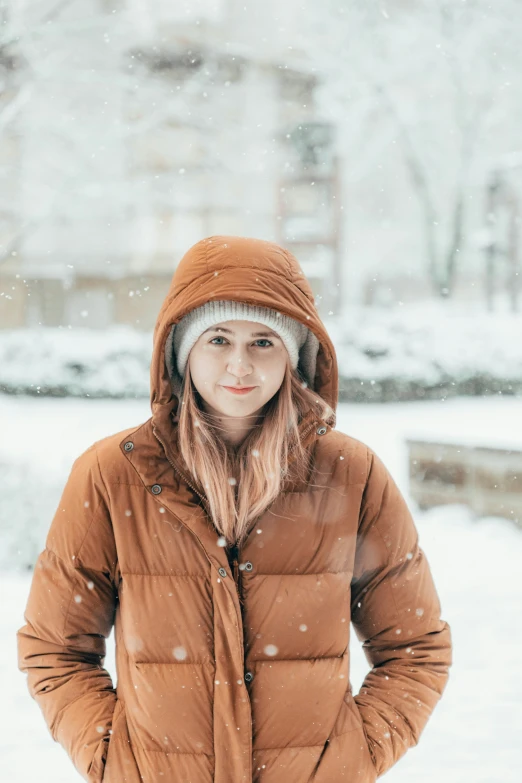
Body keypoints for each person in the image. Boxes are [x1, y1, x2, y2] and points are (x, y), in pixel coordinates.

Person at [17, 235, 452, 783]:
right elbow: (55, 648)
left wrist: (352, 758)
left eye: (264, 342)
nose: (239, 365)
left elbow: (415, 648)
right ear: (182, 351)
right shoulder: (113, 476)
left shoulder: (351, 476)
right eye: (218, 338)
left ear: (295, 356)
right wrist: (114, 762)